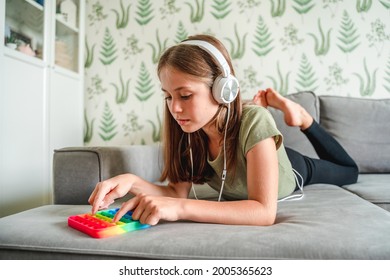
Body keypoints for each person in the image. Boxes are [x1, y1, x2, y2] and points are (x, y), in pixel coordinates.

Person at [88, 34, 358, 226]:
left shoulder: (256, 119)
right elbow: (175, 193)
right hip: (252, 146)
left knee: (349, 172)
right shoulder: (187, 130)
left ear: (222, 90)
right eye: (168, 96)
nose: (174, 109)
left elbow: (263, 213)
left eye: (185, 96)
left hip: (293, 166)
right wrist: (131, 181)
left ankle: (304, 119)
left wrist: (180, 209)